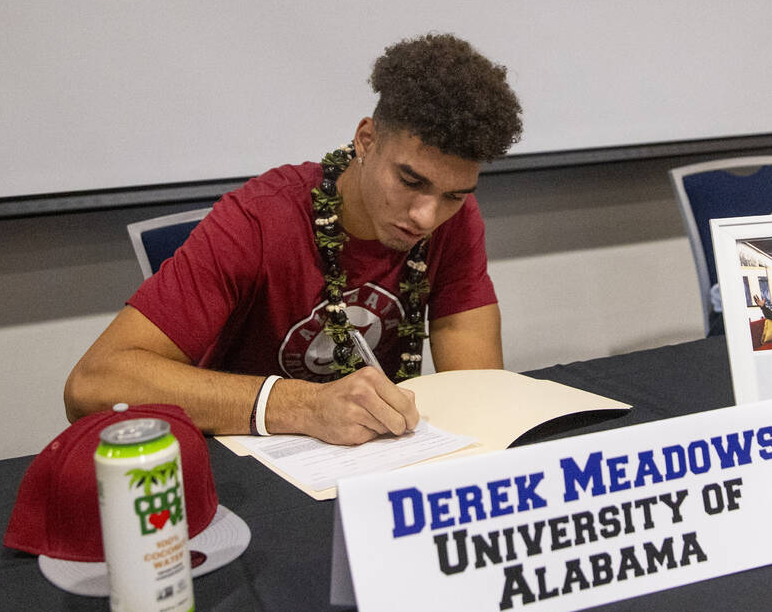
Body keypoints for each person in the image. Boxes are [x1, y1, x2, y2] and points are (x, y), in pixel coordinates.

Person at [64, 33, 523, 446]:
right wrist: (304, 406)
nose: (426, 216)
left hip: (371, 465)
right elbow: (92, 385)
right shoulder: (257, 220)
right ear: (366, 140)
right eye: (409, 180)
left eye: (453, 195)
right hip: (247, 463)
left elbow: (476, 392)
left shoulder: (453, 220)